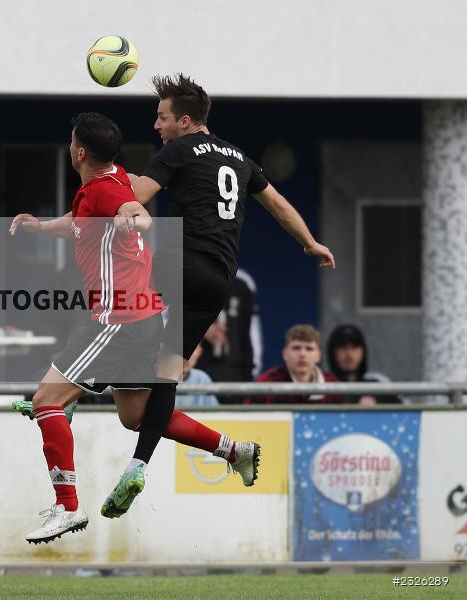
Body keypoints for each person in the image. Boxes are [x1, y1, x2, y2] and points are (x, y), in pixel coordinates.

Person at [10, 113, 258, 543]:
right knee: (136, 416)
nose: (71, 147)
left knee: (47, 400)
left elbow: (132, 211)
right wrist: (39, 226)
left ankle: (67, 507)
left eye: (72, 142)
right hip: (140, 317)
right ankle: (234, 450)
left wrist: (136, 220)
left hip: (117, 321)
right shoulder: (113, 178)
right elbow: (81, 221)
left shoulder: (108, 191)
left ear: (80, 151)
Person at [103, 73, 335, 499]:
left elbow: (137, 194)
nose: (157, 126)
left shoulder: (179, 150)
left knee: (111, 294)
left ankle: (66, 384)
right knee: (168, 377)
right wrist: (310, 242)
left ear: (185, 120)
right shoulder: (239, 157)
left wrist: (102, 179)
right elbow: (279, 205)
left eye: (162, 117)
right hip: (217, 280)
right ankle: (139, 465)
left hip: (177, 263)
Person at [195, 269, 263, 402]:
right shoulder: (190, 280)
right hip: (197, 377)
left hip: (234, 378)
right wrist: (201, 328)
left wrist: (248, 379)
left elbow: (249, 338)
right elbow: (168, 319)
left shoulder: (242, 286)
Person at [244, 324, 345, 404]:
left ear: (318, 356)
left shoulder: (331, 385)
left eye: (309, 349)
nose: (302, 354)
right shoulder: (265, 383)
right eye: (296, 348)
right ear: (285, 354)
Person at [327, 323, 400, 404]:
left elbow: (406, 412)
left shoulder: (379, 383)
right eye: (343, 347)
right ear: (332, 352)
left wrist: (378, 402)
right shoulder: (323, 385)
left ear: (363, 351)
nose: (349, 354)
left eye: (354, 347)